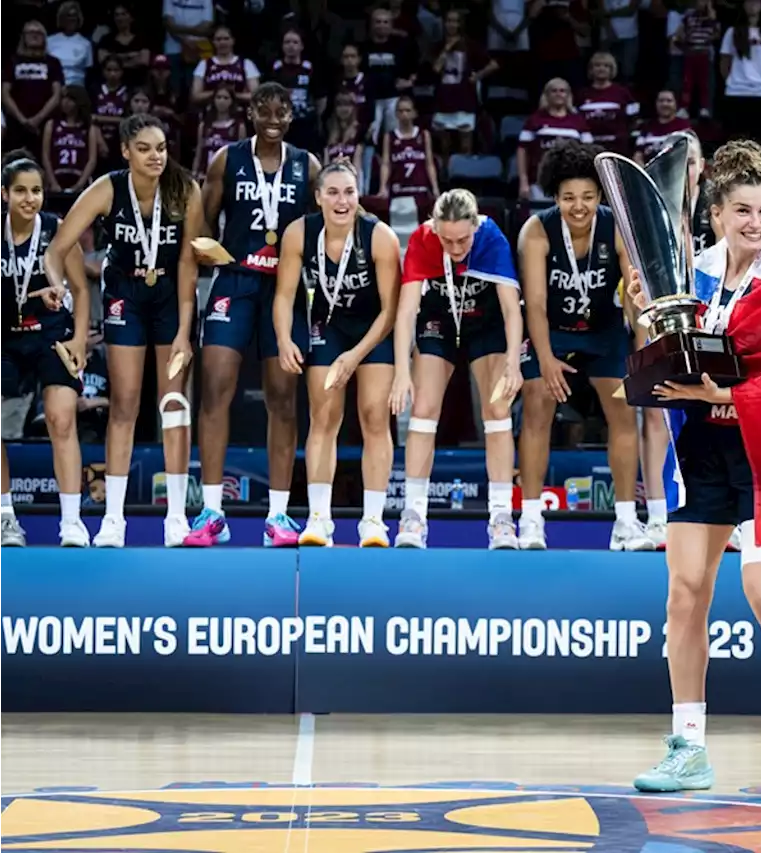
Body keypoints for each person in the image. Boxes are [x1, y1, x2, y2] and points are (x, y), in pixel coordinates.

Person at [627, 139, 761, 795]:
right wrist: (642, 306)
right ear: (716, 213)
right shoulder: (693, 270)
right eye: (742, 211)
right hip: (704, 450)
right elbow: (674, 347)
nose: (756, 223)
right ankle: (687, 745)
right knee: (684, 592)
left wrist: (717, 393)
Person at [43, 112, 202, 548]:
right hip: (124, 296)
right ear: (126, 151)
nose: (156, 156)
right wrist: (59, 287)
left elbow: (189, 264)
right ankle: (113, 519)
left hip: (171, 296)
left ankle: (175, 518)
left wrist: (186, 331)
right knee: (125, 405)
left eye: (162, 148)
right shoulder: (107, 188)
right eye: (146, 148)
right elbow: (57, 249)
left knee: (173, 404)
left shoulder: (185, 188)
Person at [186, 81, 322, 548]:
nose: (272, 116)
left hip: (284, 291)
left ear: (290, 116)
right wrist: (207, 252)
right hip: (236, 280)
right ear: (251, 114)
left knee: (283, 398)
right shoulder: (227, 158)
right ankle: (211, 512)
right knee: (215, 388)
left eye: (280, 110)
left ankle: (279, 516)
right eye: (263, 109)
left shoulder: (307, 164)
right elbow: (203, 220)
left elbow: (321, 227)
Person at [516, 138, 649, 552]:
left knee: (624, 410)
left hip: (603, 328)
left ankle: (626, 521)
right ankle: (531, 519)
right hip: (551, 328)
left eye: (589, 197)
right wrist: (546, 359)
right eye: (569, 197)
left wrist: (641, 336)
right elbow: (534, 304)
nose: (579, 206)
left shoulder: (616, 224)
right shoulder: (536, 230)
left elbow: (633, 290)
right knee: (538, 399)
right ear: (554, 196)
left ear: (600, 195)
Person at [273, 161, 401, 547]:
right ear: (318, 197)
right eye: (332, 192)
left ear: (358, 196)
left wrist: (356, 355)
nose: (341, 201)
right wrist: (283, 338)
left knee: (374, 417)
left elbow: (391, 310)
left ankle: (374, 521)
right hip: (328, 325)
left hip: (374, 329)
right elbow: (283, 295)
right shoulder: (299, 233)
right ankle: (319, 518)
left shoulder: (379, 237)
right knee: (323, 416)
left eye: (348, 192)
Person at [393, 189, 522, 549]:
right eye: (446, 239)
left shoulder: (490, 236)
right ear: (434, 228)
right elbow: (405, 313)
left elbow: (512, 308)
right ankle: (413, 516)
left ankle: (501, 519)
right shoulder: (423, 238)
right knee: (423, 411)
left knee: (497, 411)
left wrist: (513, 360)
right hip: (440, 321)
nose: (455, 247)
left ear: (475, 226)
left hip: (486, 324)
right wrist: (402, 370)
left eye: (463, 239)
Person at [0, 152, 92, 547]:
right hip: (5, 336)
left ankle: (71, 522)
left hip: (52, 333)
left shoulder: (57, 230)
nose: (29, 198)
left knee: (61, 418)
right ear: (4, 194)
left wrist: (79, 339)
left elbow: (83, 289)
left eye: (36, 190)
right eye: (20, 190)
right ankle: (6, 519)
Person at [637, 131, 719, 551]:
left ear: (702, 167)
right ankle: (657, 516)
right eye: (677, 164)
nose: (685, 172)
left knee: (715, 416)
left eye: (690, 162)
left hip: (714, 324)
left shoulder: (717, 209)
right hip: (663, 322)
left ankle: (723, 516)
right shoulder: (651, 210)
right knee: (659, 415)